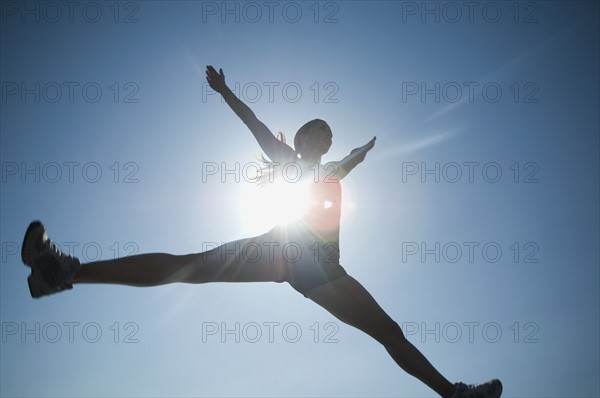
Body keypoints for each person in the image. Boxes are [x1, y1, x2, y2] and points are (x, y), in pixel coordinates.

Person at [20, 65, 503, 398]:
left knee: (389, 332)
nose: (325, 138)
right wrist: (226, 91)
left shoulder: (330, 168)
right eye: (317, 131)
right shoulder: (286, 160)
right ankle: (65, 273)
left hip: (324, 271)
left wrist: (361, 153)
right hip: (280, 250)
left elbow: (347, 164)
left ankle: (453, 393)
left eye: (330, 136)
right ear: (300, 138)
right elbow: (251, 120)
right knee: (187, 268)